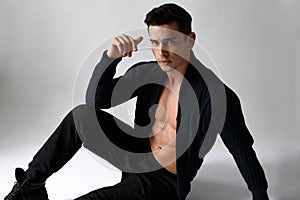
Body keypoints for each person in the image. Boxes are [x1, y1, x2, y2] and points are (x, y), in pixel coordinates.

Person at [5, 3, 269, 200]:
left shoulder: (216, 95)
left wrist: (261, 196)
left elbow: (243, 151)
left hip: (165, 181)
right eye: (155, 42)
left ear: (190, 40)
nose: (161, 53)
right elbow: (97, 101)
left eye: (171, 42)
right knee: (81, 116)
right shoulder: (150, 73)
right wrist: (110, 59)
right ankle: (31, 188)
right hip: (138, 155)